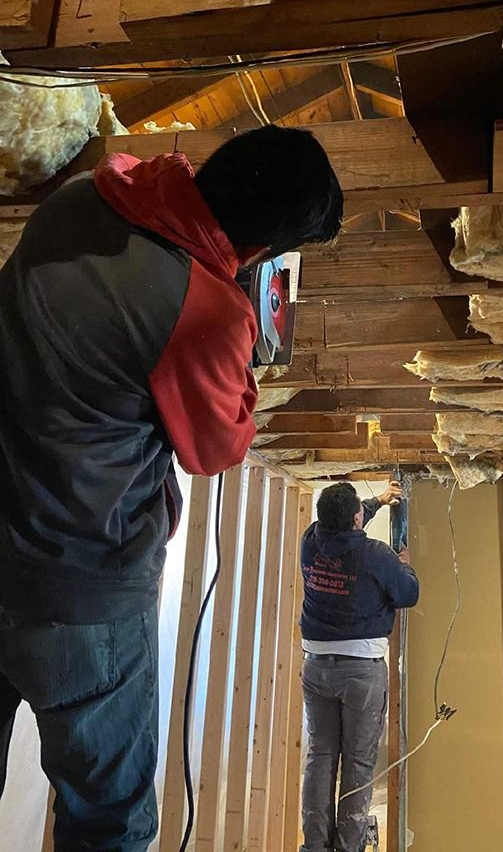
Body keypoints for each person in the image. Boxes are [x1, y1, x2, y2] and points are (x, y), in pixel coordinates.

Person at [0, 125, 343, 851]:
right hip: (79, 591)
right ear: (265, 248)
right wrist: (235, 325)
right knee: (110, 824)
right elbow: (218, 448)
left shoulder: (78, 199)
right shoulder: (204, 312)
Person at [299, 481, 419, 852]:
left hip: (316, 665)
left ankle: (315, 846)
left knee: (321, 756)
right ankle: (349, 847)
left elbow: (344, 523)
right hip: (361, 670)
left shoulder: (310, 540)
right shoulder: (376, 555)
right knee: (358, 762)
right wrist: (405, 567)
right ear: (355, 520)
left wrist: (378, 501)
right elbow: (408, 594)